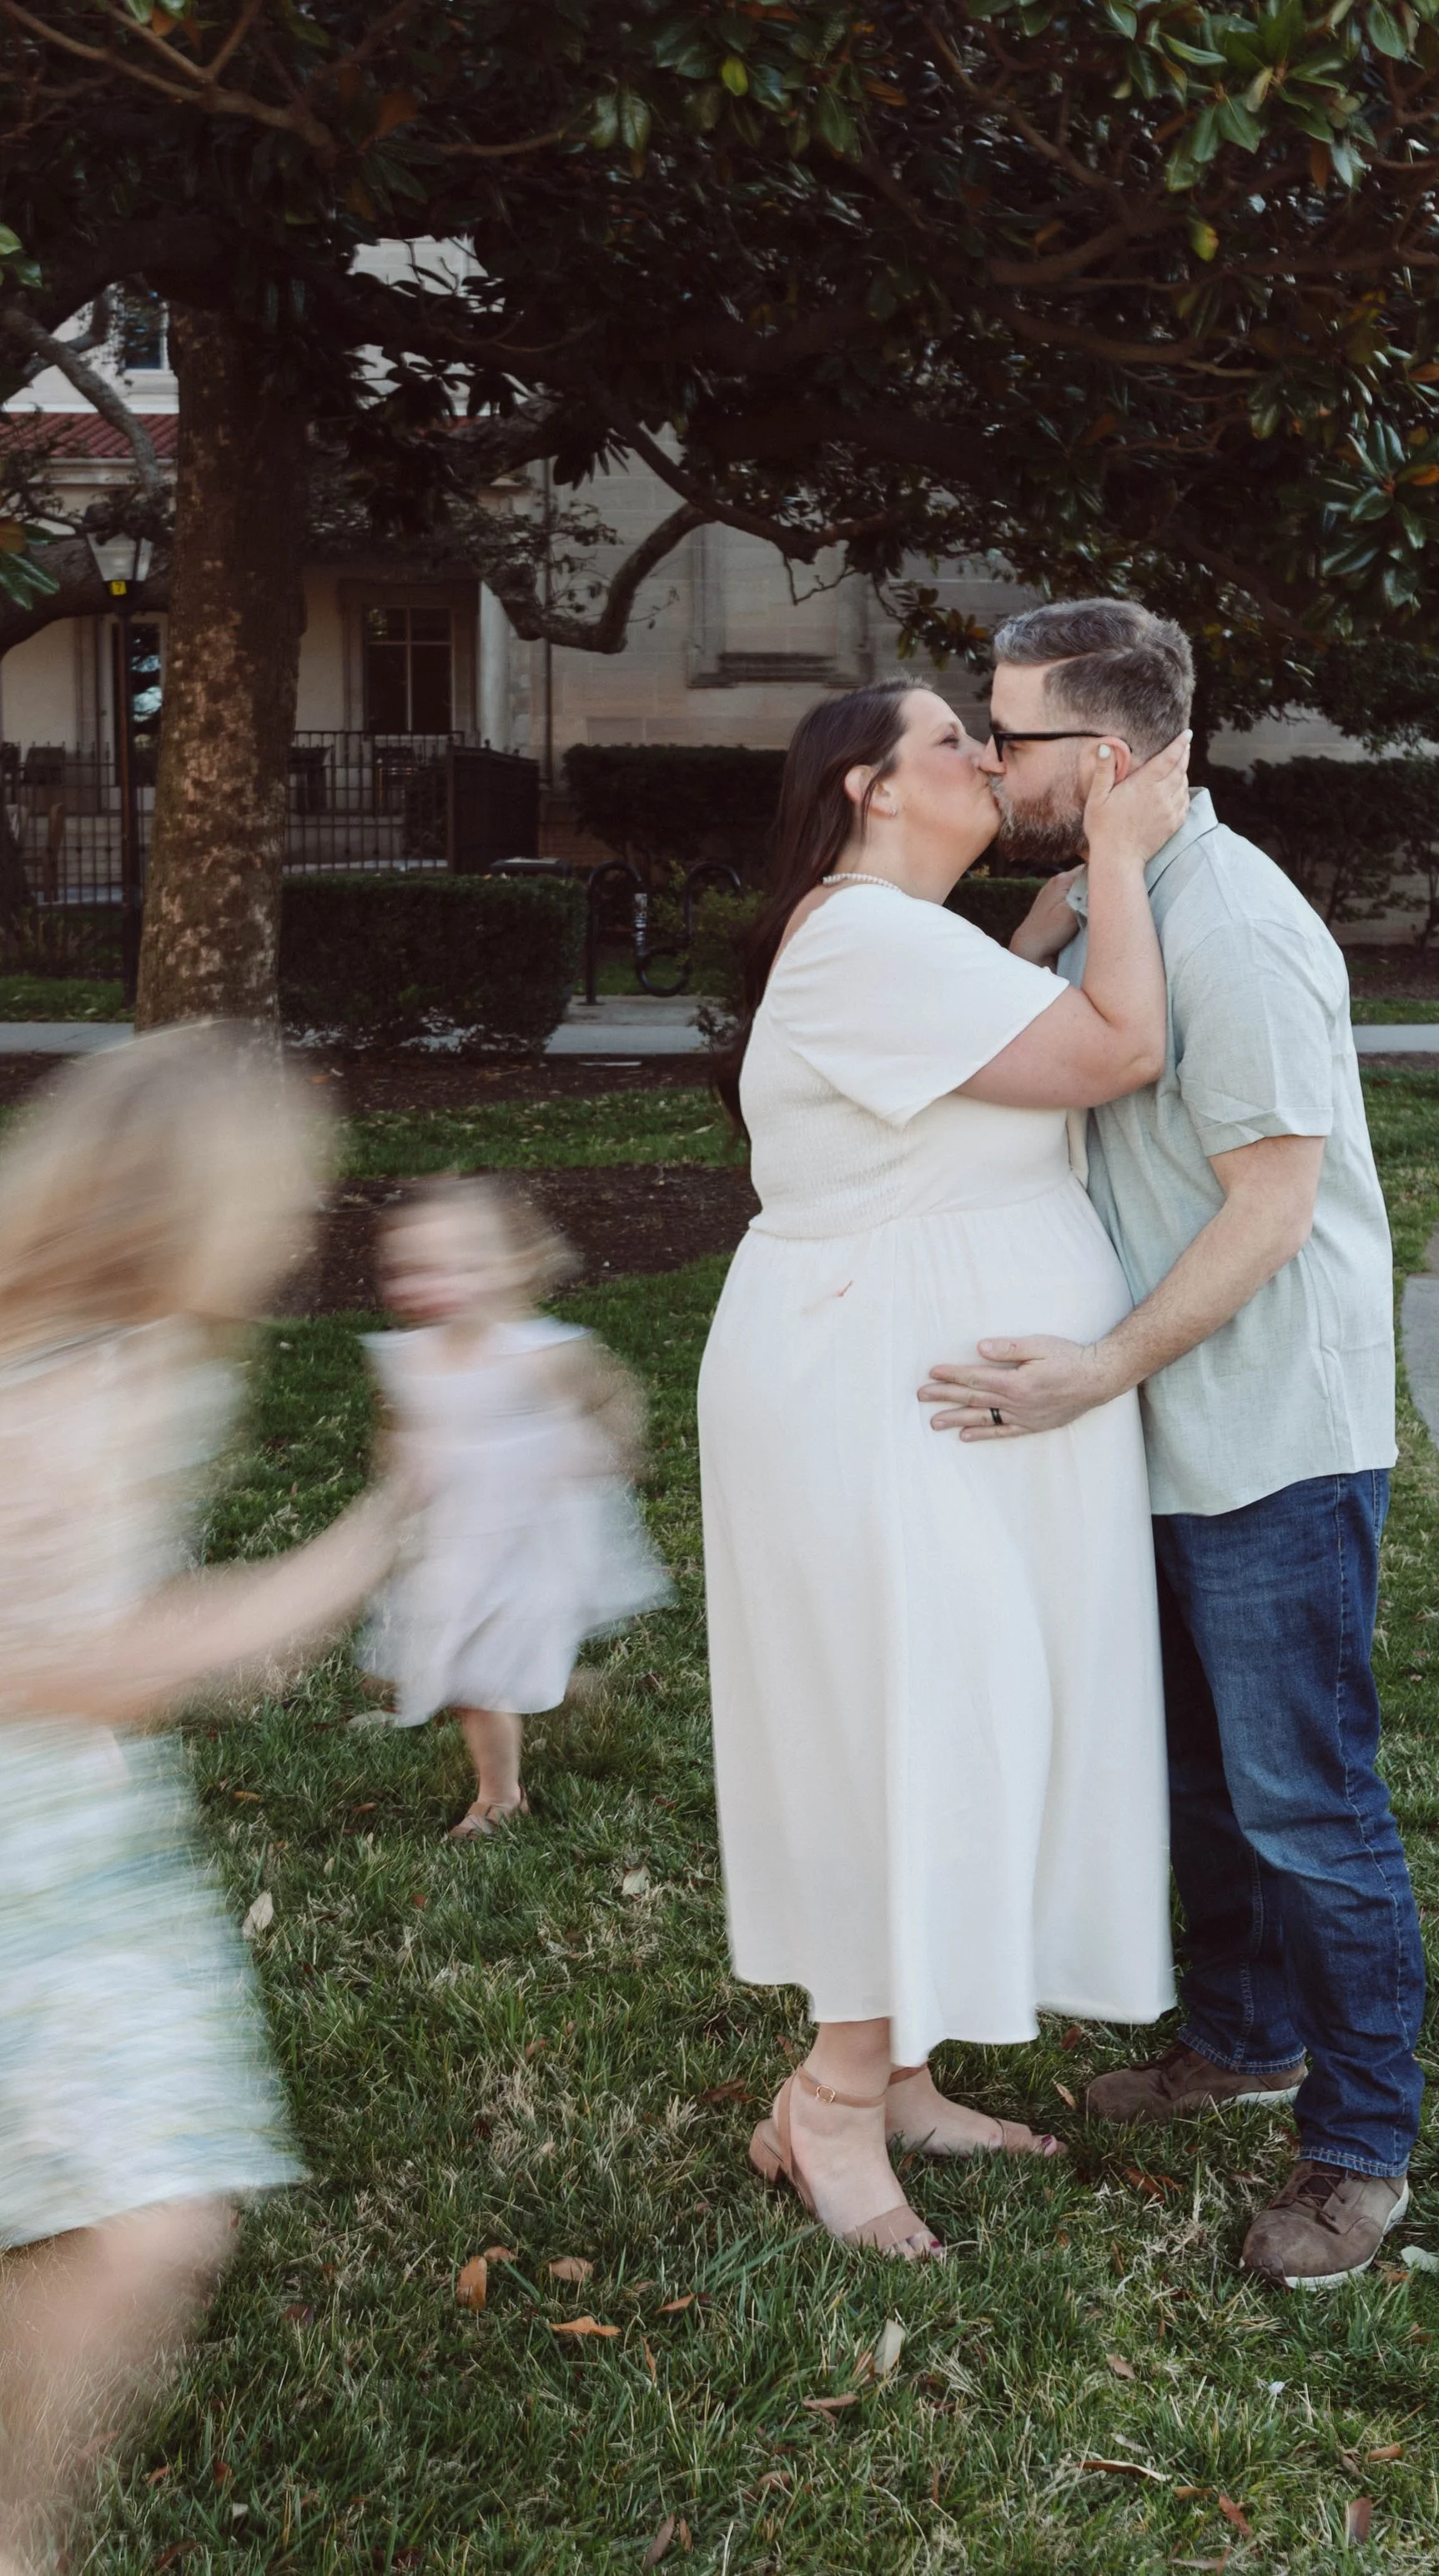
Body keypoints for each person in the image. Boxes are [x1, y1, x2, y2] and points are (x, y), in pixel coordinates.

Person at [922, 601, 1419, 2288]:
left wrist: (1094, 1371)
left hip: (1269, 1427)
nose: (987, 761)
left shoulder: (1239, 932)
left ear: (1108, 758)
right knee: (1198, 1782)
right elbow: (984, 1048)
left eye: (1011, 738)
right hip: (1160, 1415)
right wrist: (1065, 891)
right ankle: (1238, 2038)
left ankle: (1358, 2151)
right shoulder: (1120, 902)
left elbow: (1270, 1208)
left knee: (1305, 1804)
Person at [698, 679, 1190, 2261]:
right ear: (868, 787)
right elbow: (1121, 1052)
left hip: (922, 1396)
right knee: (899, 1717)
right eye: (953, 743)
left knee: (950, 1712)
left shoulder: (903, 942)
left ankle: (899, 2071)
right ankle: (830, 2107)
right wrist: (1117, 852)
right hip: (871, 1391)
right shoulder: (860, 940)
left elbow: (978, 1053)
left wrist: (1040, 926)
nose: (990, 758)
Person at [0, 1027, 400, 2576]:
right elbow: (87, 1661)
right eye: (287, 1194)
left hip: (83, 1850)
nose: (305, 1227)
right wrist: (367, 1545)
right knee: (150, 2228)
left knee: (153, 2220)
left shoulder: (133, 1356)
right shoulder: (60, 1386)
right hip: (37, 1860)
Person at [358, 1175, 668, 1838]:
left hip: (535, 1534)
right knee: (462, 1664)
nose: (438, 1284)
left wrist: (606, 1452)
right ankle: (538, 1686)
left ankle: (498, 1797)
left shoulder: (542, 1353)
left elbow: (617, 1399)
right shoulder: (407, 1357)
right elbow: (401, 1428)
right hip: (458, 1540)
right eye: (413, 1269)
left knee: (481, 1682)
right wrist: (405, 1466)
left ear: (511, 1269)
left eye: (464, 1265)